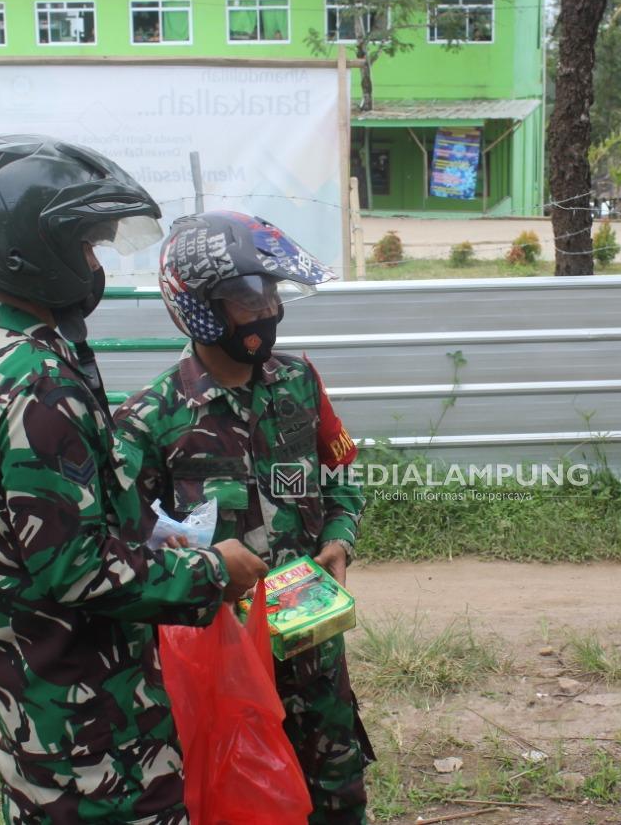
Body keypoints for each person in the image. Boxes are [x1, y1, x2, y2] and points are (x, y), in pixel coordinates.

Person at [0, 135, 268, 824]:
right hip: (91, 733)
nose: (94, 265)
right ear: (31, 249)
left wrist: (158, 537)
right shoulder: (41, 385)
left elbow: (39, 529)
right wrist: (210, 571)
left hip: (34, 710)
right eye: (87, 246)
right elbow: (77, 570)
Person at [114, 210, 373, 824]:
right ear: (198, 308)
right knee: (240, 803)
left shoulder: (299, 383)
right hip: (224, 669)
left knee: (337, 797)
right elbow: (124, 552)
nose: (265, 312)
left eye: (271, 293)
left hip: (313, 651)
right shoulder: (149, 421)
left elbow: (339, 481)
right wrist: (202, 572)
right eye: (244, 299)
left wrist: (339, 540)